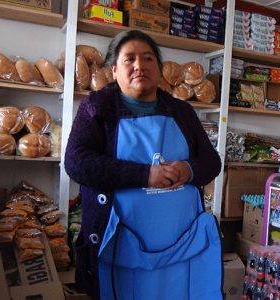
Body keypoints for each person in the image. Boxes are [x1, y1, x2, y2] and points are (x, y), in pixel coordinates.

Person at [65, 29, 223, 300]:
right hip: (118, 249)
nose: (140, 65)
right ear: (114, 70)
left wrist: (190, 169)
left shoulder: (182, 111)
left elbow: (212, 162)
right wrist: (144, 174)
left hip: (180, 247)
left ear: (159, 69)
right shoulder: (97, 106)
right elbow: (77, 163)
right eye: (129, 59)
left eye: (148, 58)